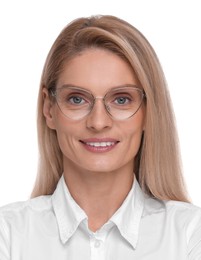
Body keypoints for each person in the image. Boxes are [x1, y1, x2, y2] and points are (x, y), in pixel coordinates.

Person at [0, 15, 201, 259]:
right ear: (49, 109)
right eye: (77, 99)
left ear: (149, 112)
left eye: (121, 99)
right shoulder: (8, 234)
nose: (98, 122)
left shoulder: (191, 234)